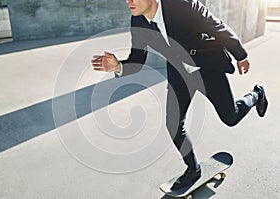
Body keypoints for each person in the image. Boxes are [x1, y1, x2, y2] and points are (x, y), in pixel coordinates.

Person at [91, 0, 268, 189]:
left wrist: (240, 55)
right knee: (173, 124)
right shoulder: (138, 21)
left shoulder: (182, 5)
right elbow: (137, 59)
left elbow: (216, 26)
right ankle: (193, 169)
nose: (129, 1)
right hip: (179, 73)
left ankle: (257, 94)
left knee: (230, 117)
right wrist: (118, 66)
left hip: (207, 67)